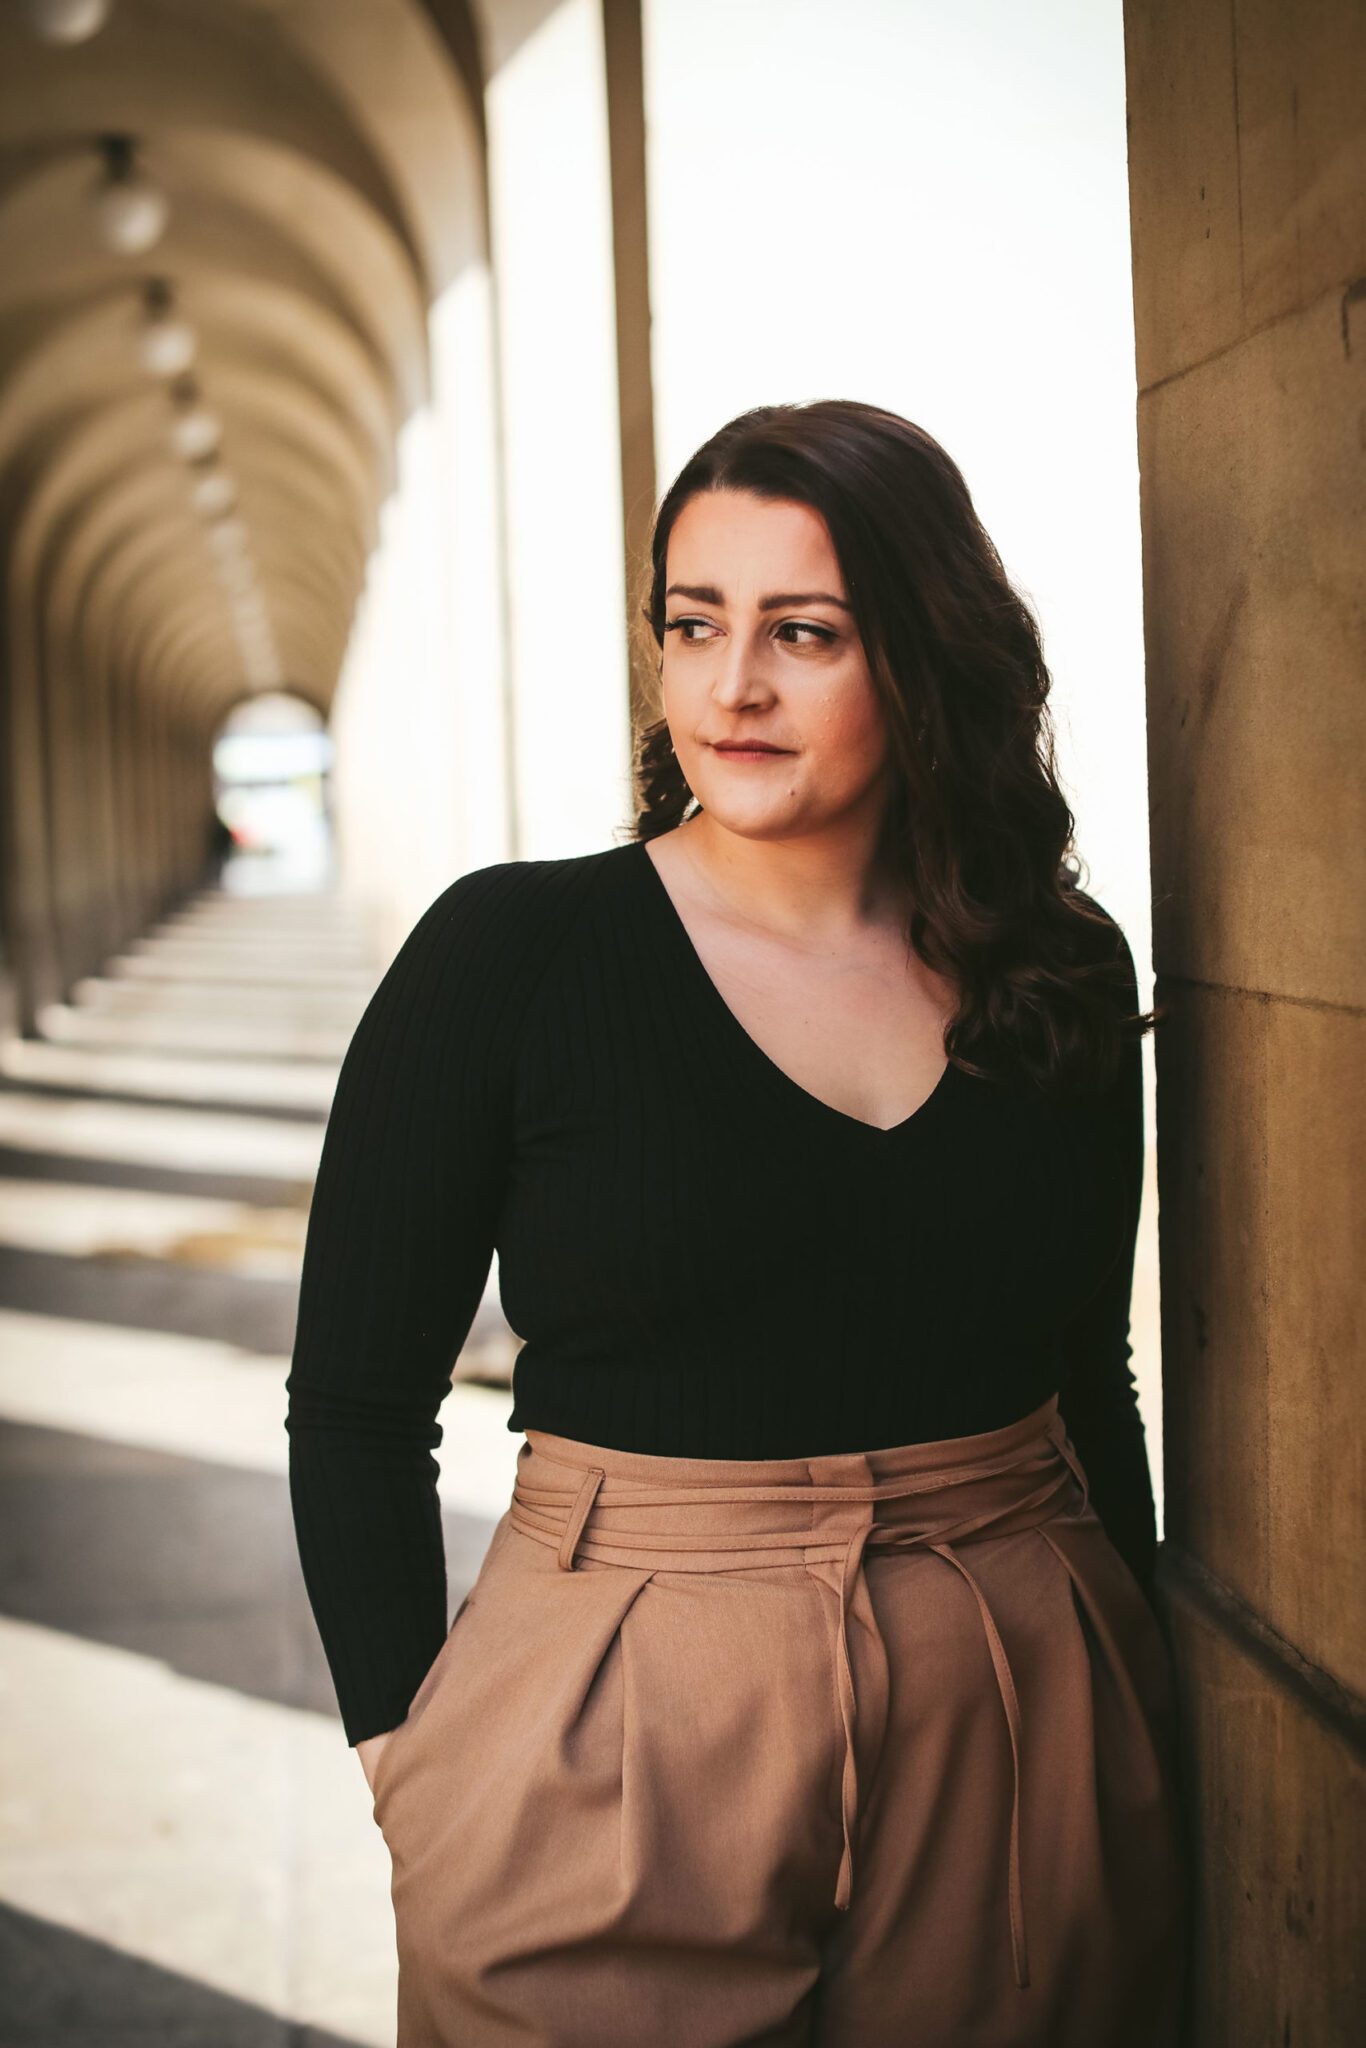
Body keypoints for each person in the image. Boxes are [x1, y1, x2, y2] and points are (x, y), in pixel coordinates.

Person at [284, 399, 1189, 2047]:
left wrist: (1144, 1726)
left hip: (1019, 1705)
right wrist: (410, 1762)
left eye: (804, 633)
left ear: (923, 657)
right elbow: (354, 1408)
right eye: (692, 626)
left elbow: (1087, 1375)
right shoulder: (510, 958)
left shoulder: (1058, 970)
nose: (731, 686)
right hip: (613, 1707)